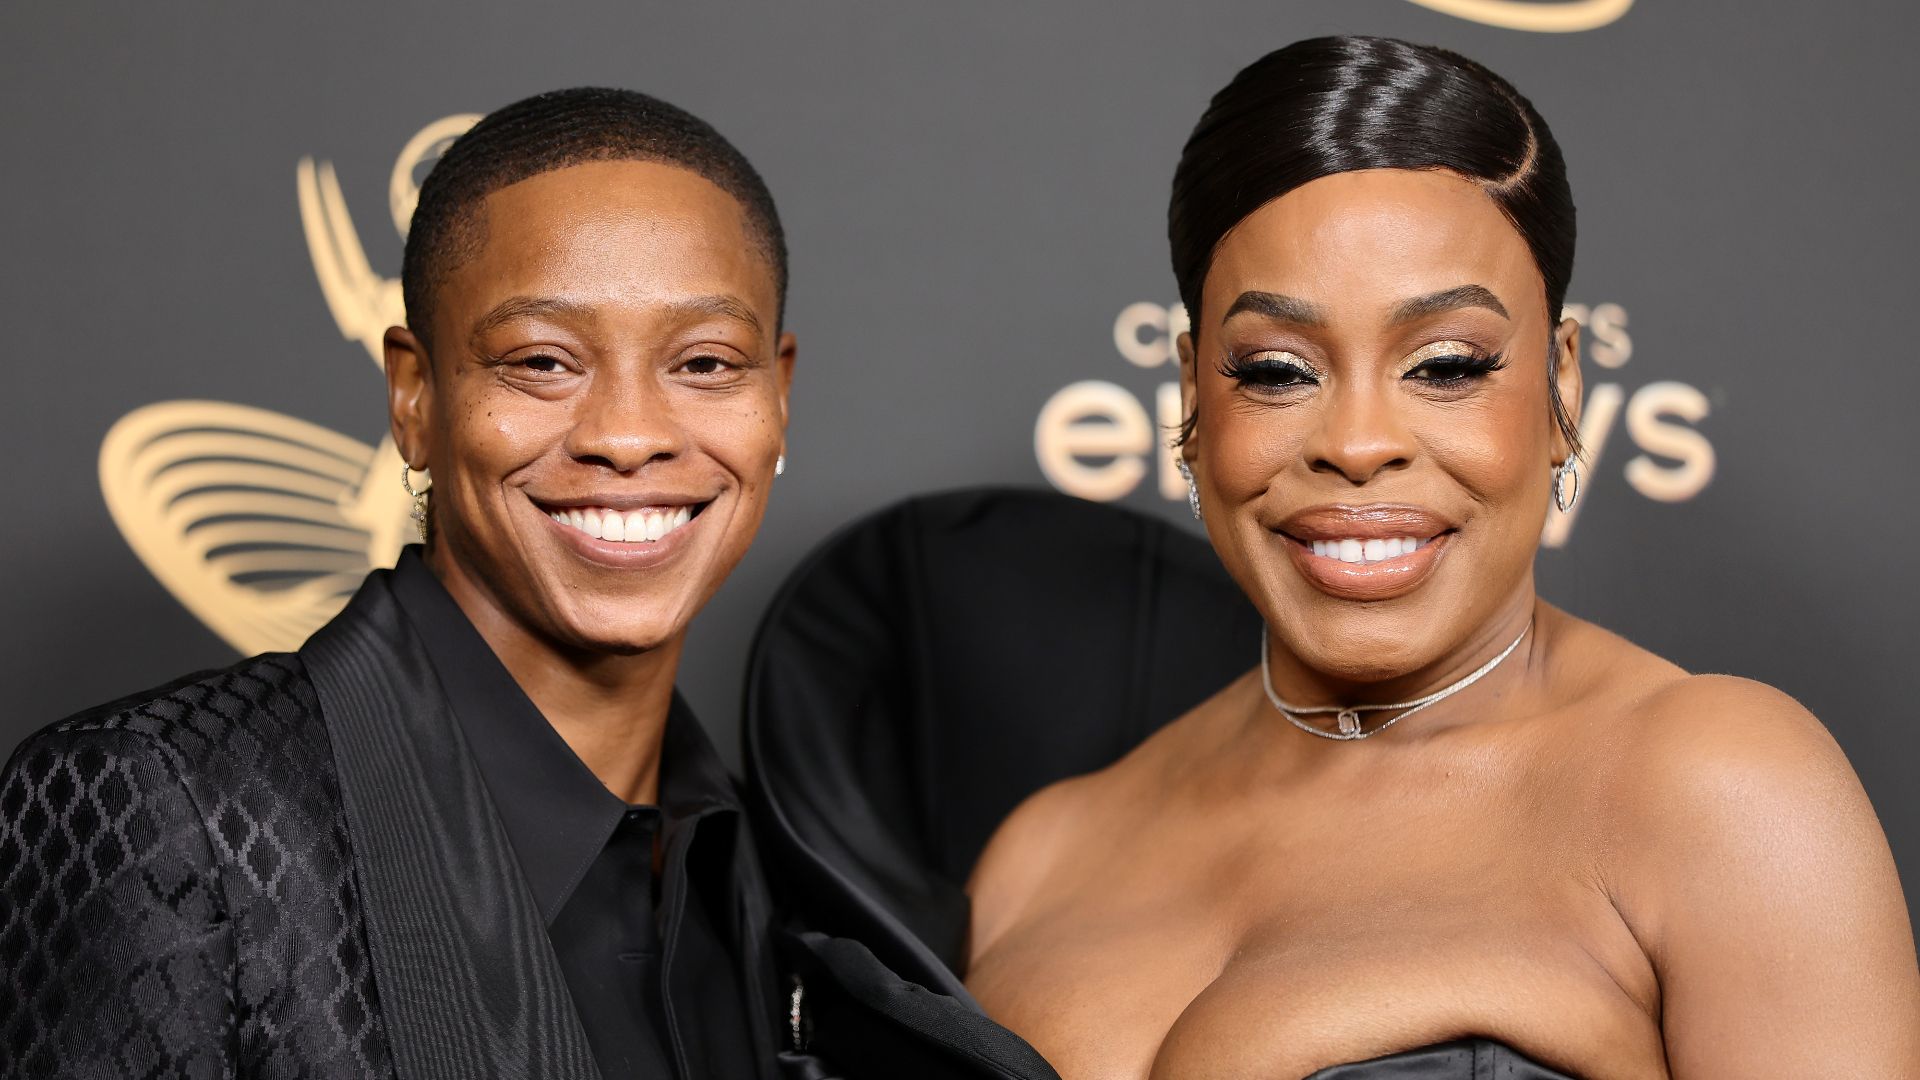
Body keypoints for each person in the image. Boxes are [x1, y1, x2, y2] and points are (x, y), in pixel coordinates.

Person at [963, 36, 1920, 1079]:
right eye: (1278, 371)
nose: (1359, 442)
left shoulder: (1722, 789)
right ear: (1195, 395)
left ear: (1563, 387)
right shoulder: (1041, 855)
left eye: (1448, 364)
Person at [1, 87, 797, 1079]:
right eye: (543, 361)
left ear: (778, 393)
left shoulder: (773, 866)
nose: (629, 436)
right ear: (414, 398)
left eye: (707, 362)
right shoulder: (168, 805)